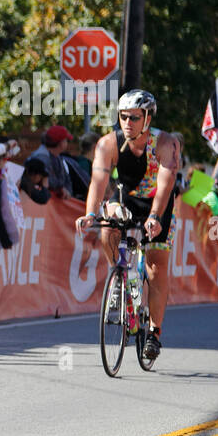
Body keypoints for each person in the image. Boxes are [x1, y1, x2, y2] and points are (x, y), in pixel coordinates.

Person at [75, 89, 180, 362]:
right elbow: (98, 182)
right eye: (123, 117)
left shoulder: (165, 143)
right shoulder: (108, 143)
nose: (128, 122)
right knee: (108, 224)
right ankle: (118, 276)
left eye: (134, 117)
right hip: (128, 197)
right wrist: (89, 213)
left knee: (156, 266)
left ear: (147, 118)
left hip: (159, 203)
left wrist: (155, 217)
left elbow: (165, 185)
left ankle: (155, 333)